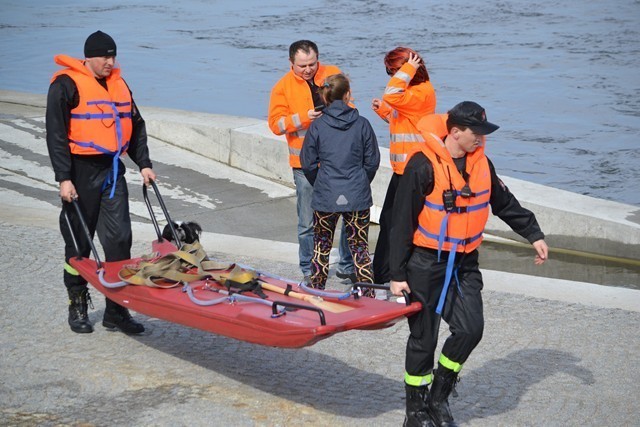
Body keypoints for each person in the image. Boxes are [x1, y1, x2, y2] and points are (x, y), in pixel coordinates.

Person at [389, 101, 549, 426]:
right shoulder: (422, 165)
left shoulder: (482, 164)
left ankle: (438, 398)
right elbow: (400, 222)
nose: (481, 139)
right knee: (424, 339)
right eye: (476, 133)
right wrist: (396, 274)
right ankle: (416, 413)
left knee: (471, 329)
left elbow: (505, 203)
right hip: (425, 263)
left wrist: (533, 233)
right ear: (455, 131)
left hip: (464, 263)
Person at [46, 30, 156, 335]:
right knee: (78, 243)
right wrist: (63, 178)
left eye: (113, 56)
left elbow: (135, 125)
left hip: (111, 171)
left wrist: (144, 164)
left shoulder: (119, 84)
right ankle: (78, 304)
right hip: (79, 172)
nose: (111, 62)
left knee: (120, 240)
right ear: (89, 57)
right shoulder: (65, 85)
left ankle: (116, 311)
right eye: (105, 56)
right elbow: (55, 135)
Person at [268, 40, 355, 283]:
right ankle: (308, 269)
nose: (308, 69)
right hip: (304, 166)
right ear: (291, 63)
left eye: (312, 64)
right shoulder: (282, 87)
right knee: (307, 222)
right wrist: (303, 118)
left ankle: (347, 266)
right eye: (302, 65)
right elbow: (276, 124)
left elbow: (350, 103)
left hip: (336, 162)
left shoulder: (332, 72)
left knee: (349, 214)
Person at [300, 74, 380, 295]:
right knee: (360, 248)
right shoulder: (362, 124)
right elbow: (372, 161)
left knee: (321, 246)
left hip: (326, 195)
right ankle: (368, 295)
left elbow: (307, 163)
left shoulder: (317, 126)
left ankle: (317, 292)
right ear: (347, 95)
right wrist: (361, 182)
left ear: (326, 95)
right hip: (357, 195)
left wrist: (322, 183)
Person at [371, 47, 436, 287]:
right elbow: (406, 122)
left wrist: (410, 67)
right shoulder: (412, 93)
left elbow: (392, 95)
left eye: (393, 71)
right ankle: (382, 274)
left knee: (399, 225)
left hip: (412, 171)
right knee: (390, 222)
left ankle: (389, 275)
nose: (391, 76)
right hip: (402, 170)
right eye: (390, 72)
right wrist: (385, 112)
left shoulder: (421, 91)